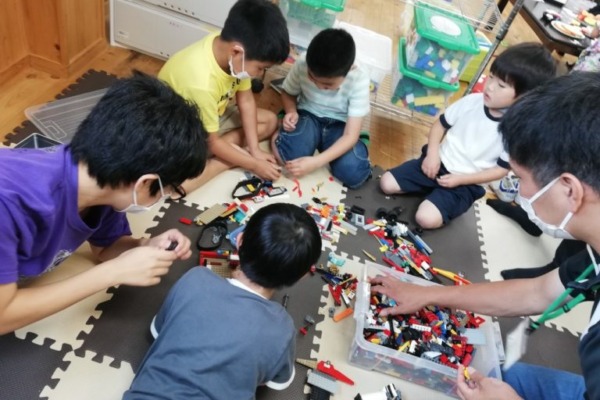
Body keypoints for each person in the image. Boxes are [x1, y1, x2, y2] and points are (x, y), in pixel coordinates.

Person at [370, 72, 600, 400]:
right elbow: (537, 292)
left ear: (570, 190)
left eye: (520, 180)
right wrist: (428, 293)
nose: (518, 194)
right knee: (505, 376)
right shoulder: (593, 253)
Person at [0, 72, 208, 335]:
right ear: (144, 183)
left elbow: (106, 248)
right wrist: (113, 273)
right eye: (165, 191)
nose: (162, 198)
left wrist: (143, 246)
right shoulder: (10, 204)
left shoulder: (101, 181)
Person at [123, 203, 322, 399]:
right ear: (302, 276)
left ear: (240, 240)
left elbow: (158, 331)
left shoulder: (195, 278)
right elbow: (276, 381)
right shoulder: (283, 328)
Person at [379, 43, 557, 229]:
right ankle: (430, 192)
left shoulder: (516, 131)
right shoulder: (472, 101)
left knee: (425, 219)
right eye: (491, 77)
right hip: (436, 164)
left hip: (466, 184)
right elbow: (440, 125)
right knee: (386, 183)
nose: (490, 87)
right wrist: (432, 154)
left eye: (501, 85)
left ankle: (441, 200)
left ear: (524, 97)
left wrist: (459, 180)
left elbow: (500, 170)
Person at [158, 0, 289, 193]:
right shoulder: (201, 84)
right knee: (183, 183)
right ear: (236, 52)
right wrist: (253, 163)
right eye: (260, 68)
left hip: (209, 117)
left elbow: (246, 100)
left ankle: (229, 153)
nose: (259, 74)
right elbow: (212, 142)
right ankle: (222, 162)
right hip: (177, 136)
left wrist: (255, 150)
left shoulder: (229, 49)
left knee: (269, 121)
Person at [271, 28, 371, 189]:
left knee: (353, 173)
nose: (317, 85)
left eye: (326, 85)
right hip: (308, 115)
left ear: (349, 70)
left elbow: (350, 135)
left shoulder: (359, 77)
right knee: (290, 158)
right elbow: (288, 92)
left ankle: (327, 147)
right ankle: (281, 135)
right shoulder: (303, 62)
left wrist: (316, 162)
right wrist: (291, 111)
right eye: (311, 77)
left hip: (341, 126)